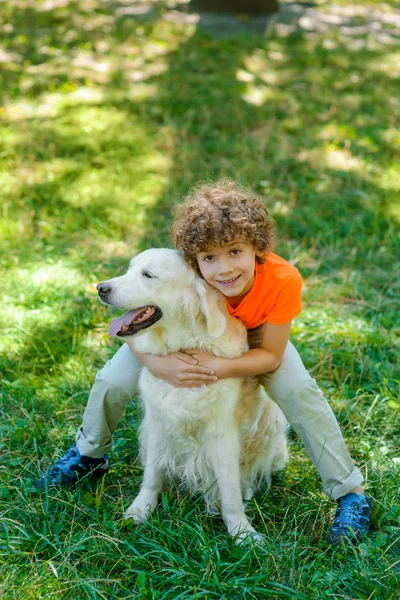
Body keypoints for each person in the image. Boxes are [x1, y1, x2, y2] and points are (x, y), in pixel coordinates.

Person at [38, 179, 372, 544]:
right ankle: (89, 455)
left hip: (255, 337)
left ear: (256, 249)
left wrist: (214, 367)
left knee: (298, 389)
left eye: (235, 252)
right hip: (183, 333)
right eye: (210, 257)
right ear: (194, 260)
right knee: (112, 381)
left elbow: (272, 355)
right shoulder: (187, 275)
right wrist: (157, 364)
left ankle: (349, 492)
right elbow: (135, 328)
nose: (224, 269)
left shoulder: (281, 279)